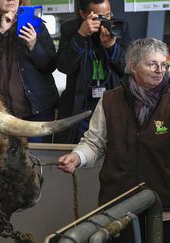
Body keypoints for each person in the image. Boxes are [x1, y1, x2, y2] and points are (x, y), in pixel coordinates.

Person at [57, 38, 170, 243]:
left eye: (163, 64)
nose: (160, 70)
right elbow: (94, 142)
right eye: (152, 64)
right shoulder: (109, 101)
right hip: (116, 205)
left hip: (164, 207)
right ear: (133, 67)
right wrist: (77, 156)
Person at [0, 0, 58, 143]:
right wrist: (0, 30)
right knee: (5, 160)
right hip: (1, 111)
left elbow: (50, 65)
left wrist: (33, 45)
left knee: (38, 156)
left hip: (37, 110)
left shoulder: (35, 22)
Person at [55, 0, 131, 143]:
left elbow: (127, 68)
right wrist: (80, 36)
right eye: (99, 17)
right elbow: (64, 66)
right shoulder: (70, 29)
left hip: (113, 103)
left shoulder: (120, 27)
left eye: (108, 15)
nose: (105, 21)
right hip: (80, 105)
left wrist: (111, 46)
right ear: (83, 14)